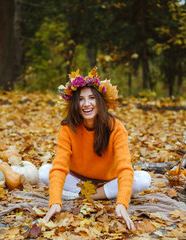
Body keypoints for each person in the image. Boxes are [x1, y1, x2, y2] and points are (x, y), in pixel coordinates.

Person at [38, 67, 151, 230]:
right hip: (77, 181)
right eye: (81, 99)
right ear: (75, 104)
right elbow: (60, 166)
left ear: (100, 101)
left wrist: (122, 204)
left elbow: (125, 168)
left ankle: (90, 196)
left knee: (143, 179)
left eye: (92, 98)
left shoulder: (116, 128)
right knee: (44, 171)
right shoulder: (68, 128)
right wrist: (55, 202)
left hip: (108, 182)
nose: (86, 104)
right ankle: (89, 194)